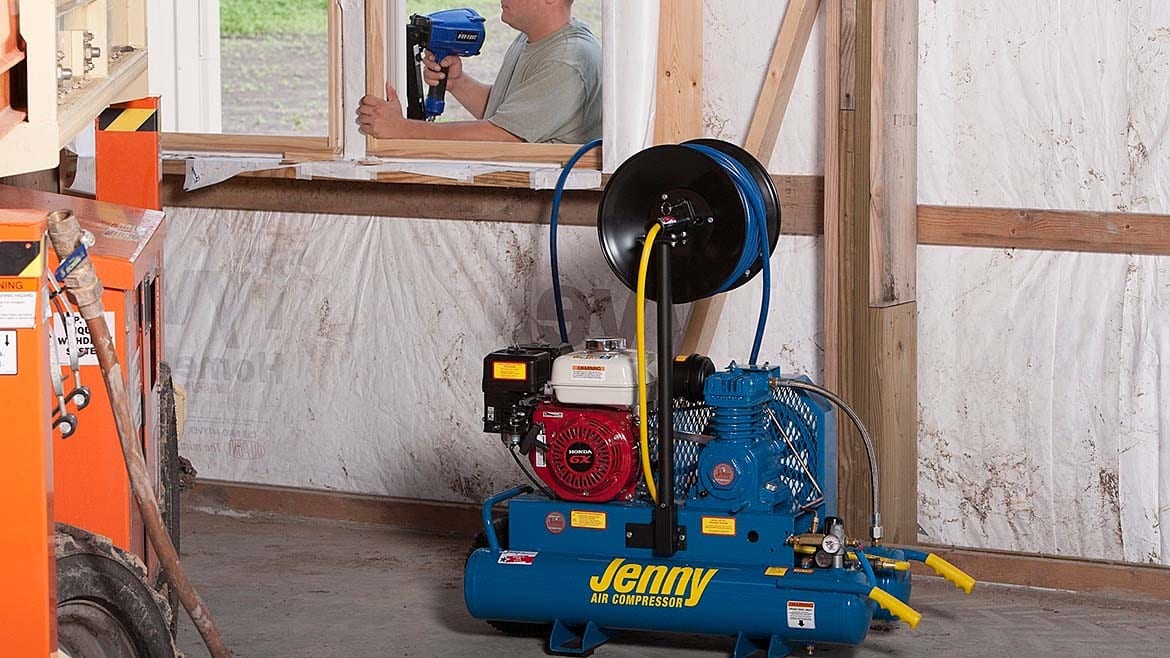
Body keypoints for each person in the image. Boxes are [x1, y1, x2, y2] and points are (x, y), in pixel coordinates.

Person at [357, 0, 601, 143]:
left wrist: (401, 129)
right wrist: (458, 83)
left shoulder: (567, 60)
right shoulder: (535, 39)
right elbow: (512, 116)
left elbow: (501, 137)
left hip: (546, 206)